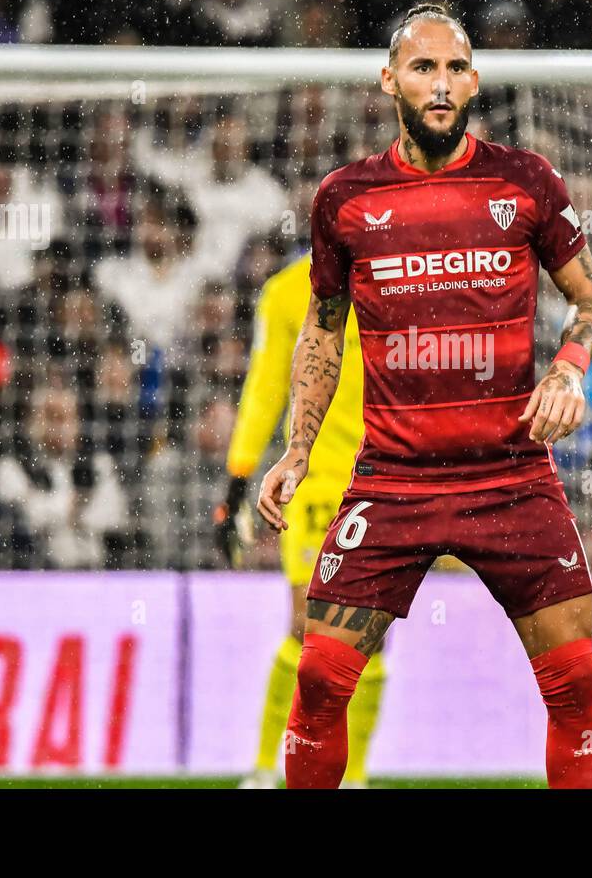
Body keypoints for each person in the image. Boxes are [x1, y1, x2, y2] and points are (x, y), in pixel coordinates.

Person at [255, 4, 592, 789]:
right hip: (393, 481)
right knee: (319, 677)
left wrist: (569, 368)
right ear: (390, 80)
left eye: (455, 68)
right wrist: (298, 450)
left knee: (577, 684)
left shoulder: (527, 181)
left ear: (475, 81)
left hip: (513, 478)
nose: (441, 83)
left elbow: (591, 300)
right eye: (423, 67)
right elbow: (321, 333)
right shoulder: (345, 199)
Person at [218, 252, 384, 789]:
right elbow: (266, 386)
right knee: (308, 626)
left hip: (387, 478)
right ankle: (269, 768)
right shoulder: (287, 292)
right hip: (315, 479)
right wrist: (237, 480)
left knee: (372, 635)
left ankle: (353, 775)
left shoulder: (398, 279)